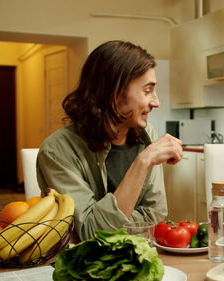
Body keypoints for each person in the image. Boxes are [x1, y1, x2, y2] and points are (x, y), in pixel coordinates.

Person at [36, 40, 183, 240]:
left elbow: (154, 214)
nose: (156, 102)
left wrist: (112, 225)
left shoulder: (148, 133)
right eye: (147, 91)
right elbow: (90, 233)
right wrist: (143, 162)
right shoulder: (57, 151)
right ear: (113, 93)